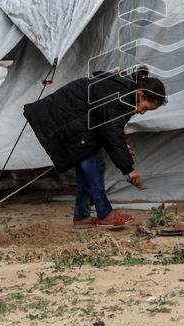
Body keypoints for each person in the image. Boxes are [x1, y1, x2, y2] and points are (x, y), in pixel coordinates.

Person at [23, 68, 167, 229]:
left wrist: (122, 149)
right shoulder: (120, 96)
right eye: (146, 108)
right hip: (64, 121)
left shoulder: (124, 92)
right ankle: (105, 215)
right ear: (140, 94)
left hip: (73, 121)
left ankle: (82, 217)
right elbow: (111, 133)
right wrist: (128, 169)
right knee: (94, 165)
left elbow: (109, 128)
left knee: (88, 170)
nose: (142, 113)